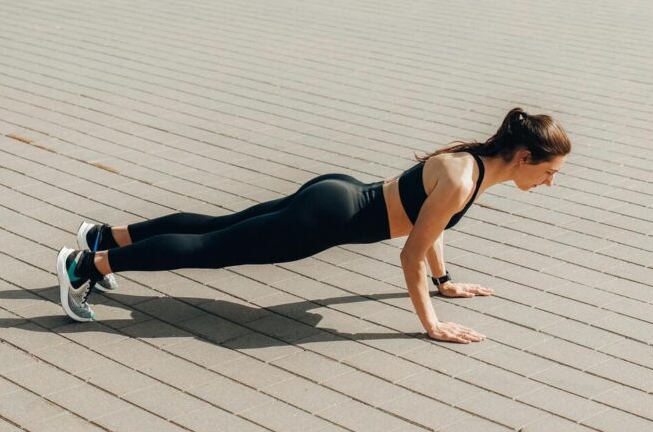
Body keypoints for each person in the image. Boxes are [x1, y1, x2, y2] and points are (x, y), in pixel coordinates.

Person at [56, 107, 570, 343]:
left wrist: (444, 281)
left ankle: (106, 236)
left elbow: (428, 229)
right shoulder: (464, 181)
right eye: (548, 173)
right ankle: (86, 265)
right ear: (524, 156)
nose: (550, 184)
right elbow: (411, 251)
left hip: (336, 191)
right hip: (326, 220)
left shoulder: (470, 163)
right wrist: (431, 323)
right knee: (210, 247)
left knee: (220, 226)